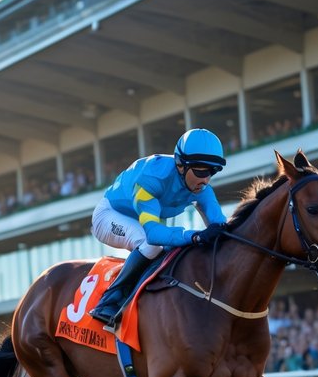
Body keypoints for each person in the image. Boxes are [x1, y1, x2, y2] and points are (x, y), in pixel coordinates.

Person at [87, 128, 229, 326]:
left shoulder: (201, 187)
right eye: (201, 171)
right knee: (151, 245)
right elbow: (153, 234)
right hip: (110, 215)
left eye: (212, 171)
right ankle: (109, 301)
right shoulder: (152, 177)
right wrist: (195, 236)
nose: (205, 179)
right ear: (181, 165)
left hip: (142, 220)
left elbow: (220, 226)